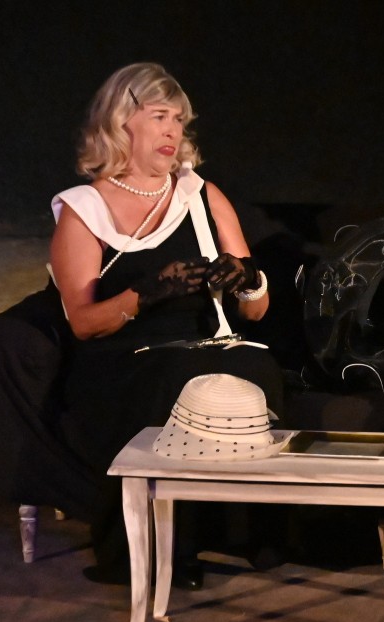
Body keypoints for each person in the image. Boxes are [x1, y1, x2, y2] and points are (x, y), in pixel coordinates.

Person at [48, 62, 285, 587]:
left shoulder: (201, 194)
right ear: (121, 123)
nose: (173, 131)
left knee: (258, 365)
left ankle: (251, 535)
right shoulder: (85, 209)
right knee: (176, 378)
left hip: (210, 344)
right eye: (159, 116)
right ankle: (160, 551)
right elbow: (83, 324)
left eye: (179, 120)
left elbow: (256, 312)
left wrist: (248, 279)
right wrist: (146, 293)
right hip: (125, 359)